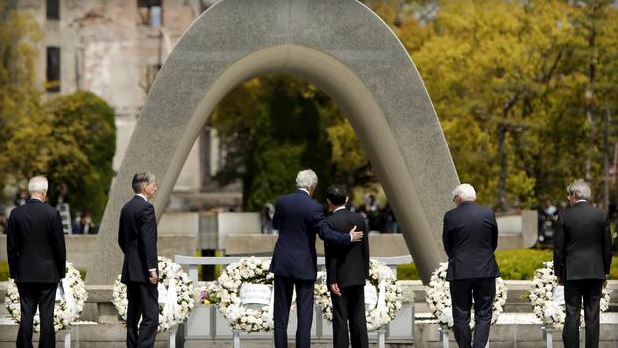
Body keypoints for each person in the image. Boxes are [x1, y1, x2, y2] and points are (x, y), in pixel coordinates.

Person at [270, 169, 363, 348]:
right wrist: (348, 238)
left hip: (282, 263)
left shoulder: (282, 202)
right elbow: (326, 235)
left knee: (280, 315)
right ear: (312, 187)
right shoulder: (315, 207)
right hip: (304, 266)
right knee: (304, 318)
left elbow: (275, 224)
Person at [6, 176, 66, 348]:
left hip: (24, 274)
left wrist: (14, 273)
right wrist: (61, 272)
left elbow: (11, 248)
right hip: (48, 274)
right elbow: (59, 247)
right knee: (47, 315)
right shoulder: (52, 213)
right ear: (44, 192)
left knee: (26, 314)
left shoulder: (16, 214)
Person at [554, 180, 612, 348]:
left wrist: (559, 272)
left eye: (569, 195)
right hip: (595, 272)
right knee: (592, 315)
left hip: (572, 272)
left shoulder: (564, 215)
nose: (568, 199)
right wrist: (605, 271)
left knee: (572, 314)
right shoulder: (601, 215)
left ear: (574, 195)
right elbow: (607, 247)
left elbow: (558, 248)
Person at [442, 183, 500, 348]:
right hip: (485, 270)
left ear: (459, 198)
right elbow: (493, 242)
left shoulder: (450, 216)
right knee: (484, 315)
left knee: (461, 316)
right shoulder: (488, 213)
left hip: (460, 270)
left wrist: (458, 257)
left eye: (454, 199)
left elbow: (448, 245)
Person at [324, 185, 370, 348]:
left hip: (340, 278)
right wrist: (364, 273)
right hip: (357, 276)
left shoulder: (329, 222)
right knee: (359, 320)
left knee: (341, 320)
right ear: (347, 199)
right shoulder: (359, 219)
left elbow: (332, 254)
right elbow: (365, 249)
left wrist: (332, 278)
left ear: (329, 202)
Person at [118, 172, 159, 348]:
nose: (156, 187)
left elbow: (121, 239)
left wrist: (132, 258)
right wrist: (152, 269)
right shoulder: (146, 208)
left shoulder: (126, 208)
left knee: (133, 314)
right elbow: (148, 242)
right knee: (151, 316)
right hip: (143, 272)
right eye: (153, 184)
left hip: (130, 269)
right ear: (144, 186)